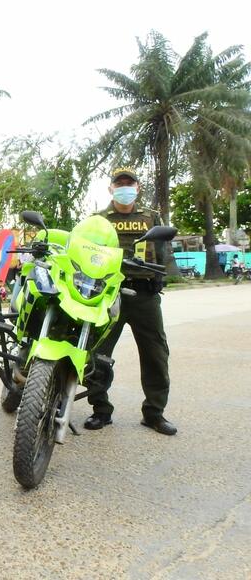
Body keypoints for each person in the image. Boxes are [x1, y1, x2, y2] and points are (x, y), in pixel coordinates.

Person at [85, 167, 177, 436]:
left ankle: (154, 413)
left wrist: (165, 276)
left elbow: (163, 249)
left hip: (145, 294)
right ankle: (100, 410)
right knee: (97, 353)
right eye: (119, 183)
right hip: (107, 293)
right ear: (111, 189)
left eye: (130, 183)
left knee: (156, 354)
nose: (125, 187)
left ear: (137, 187)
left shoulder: (151, 217)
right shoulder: (98, 219)